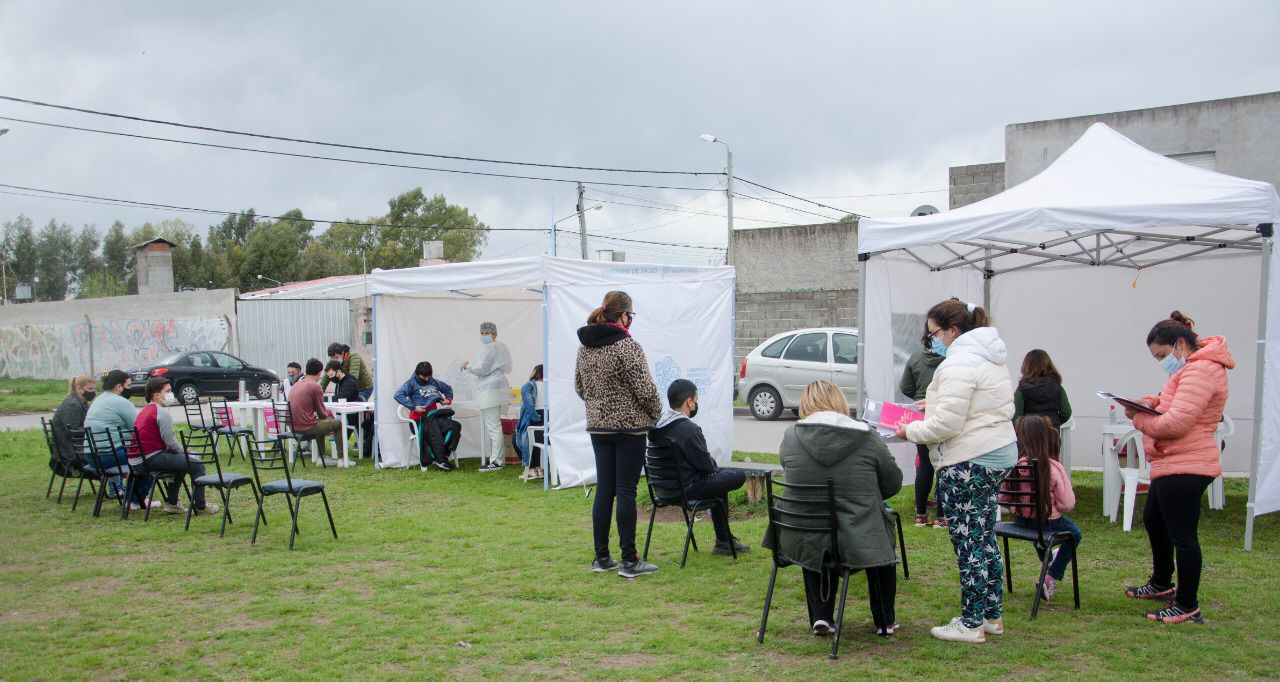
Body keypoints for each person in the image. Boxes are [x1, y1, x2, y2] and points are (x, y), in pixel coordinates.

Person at [896, 299, 1016, 643]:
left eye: (933, 333)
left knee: (968, 543)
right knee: (984, 537)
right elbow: (974, 405)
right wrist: (930, 405)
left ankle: (971, 622)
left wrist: (910, 431)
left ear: (952, 331)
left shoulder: (959, 362)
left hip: (969, 460)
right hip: (996, 454)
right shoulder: (989, 356)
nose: (931, 340)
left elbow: (947, 424)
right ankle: (992, 615)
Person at [1122, 311, 1232, 625]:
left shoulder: (1201, 371)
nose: (1161, 362)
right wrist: (1149, 403)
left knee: (1183, 536)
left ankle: (1187, 604)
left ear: (1179, 344)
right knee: (1154, 519)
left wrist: (1139, 418)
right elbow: (1174, 404)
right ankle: (1161, 582)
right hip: (1175, 460)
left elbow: (1177, 422)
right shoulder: (1192, 370)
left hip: (1187, 463)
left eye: (1161, 355)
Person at [768, 381, 902, 637]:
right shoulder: (867, 436)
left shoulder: (791, 436)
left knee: (816, 531)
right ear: (840, 401)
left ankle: (821, 616)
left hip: (801, 532)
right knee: (880, 531)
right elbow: (892, 482)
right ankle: (885, 620)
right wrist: (865, 498)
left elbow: (788, 467)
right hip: (859, 534)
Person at [576, 290, 664, 578]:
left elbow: (579, 387)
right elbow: (646, 390)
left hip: (598, 426)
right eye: (631, 315)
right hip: (629, 428)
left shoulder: (585, 346)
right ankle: (630, 560)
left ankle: (601, 557)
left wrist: (599, 404)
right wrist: (655, 413)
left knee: (605, 489)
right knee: (626, 490)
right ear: (624, 316)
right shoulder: (627, 346)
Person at [649, 379, 749, 555]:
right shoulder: (688, 429)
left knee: (717, 481)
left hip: (663, 490)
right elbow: (706, 465)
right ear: (689, 401)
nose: (696, 404)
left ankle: (724, 542)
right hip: (687, 489)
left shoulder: (656, 427)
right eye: (696, 400)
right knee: (736, 475)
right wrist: (712, 470)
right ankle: (723, 541)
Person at [1001, 415, 1080, 602]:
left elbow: (1003, 497)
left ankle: (1047, 554)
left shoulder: (1013, 466)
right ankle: (1050, 576)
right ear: (1045, 437)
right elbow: (1068, 503)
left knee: (1040, 536)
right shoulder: (1053, 468)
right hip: (1049, 523)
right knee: (1074, 534)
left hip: (1021, 522)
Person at [134, 377, 218, 516]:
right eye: (167, 391)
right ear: (156, 395)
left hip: (140, 458)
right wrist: (183, 451)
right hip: (149, 458)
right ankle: (201, 506)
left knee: (180, 463)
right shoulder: (161, 413)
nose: (171, 394)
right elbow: (170, 442)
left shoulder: (145, 410)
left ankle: (172, 503)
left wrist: (180, 453)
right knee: (196, 465)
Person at [84, 369, 153, 509]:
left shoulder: (99, 400)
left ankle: (132, 497)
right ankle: (135, 500)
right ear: (118, 386)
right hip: (109, 455)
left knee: (139, 456)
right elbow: (139, 427)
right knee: (150, 459)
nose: (130, 389)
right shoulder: (121, 402)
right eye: (128, 385)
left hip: (91, 455)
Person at [900, 327, 945, 528]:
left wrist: (919, 397)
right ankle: (942, 515)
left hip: (919, 415)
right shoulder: (951, 361)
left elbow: (905, 387)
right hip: (943, 414)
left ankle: (920, 513)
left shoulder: (915, 358)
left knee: (924, 465)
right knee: (944, 465)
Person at [462, 322, 513, 473]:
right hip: (498, 388)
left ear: (494, 334)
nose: (484, 336)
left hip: (490, 390)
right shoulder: (502, 347)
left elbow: (482, 368)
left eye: (487, 333)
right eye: (483, 333)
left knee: (493, 427)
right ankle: (499, 460)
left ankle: (496, 461)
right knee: (495, 426)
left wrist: (468, 365)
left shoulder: (491, 348)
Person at [393, 361, 460, 472]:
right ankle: (440, 459)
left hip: (434, 417)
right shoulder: (411, 384)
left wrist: (448, 399)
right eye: (424, 376)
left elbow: (448, 389)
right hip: (418, 420)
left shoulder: (434, 382)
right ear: (417, 374)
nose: (427, 379)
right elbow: (398, 395)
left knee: (454, 426)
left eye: (429, 376)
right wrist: (414, 407)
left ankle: (444, 456)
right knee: (434, 428)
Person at [287, 358, 343, 465]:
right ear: (319, 372)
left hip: (293, 427)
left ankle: (322, 458)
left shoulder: (296, 384)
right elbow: (321, 412)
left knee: (320, 422)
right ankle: (342, 459)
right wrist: (330, 419)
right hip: (307, 427)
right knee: (338, 424)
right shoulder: (315, 386)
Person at [326, 360, 374, 460]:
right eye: (329, 376)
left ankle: (339, 447)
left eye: (331, 375)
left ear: (338, 371)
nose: (331, 378)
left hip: (352, 415)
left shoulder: (349, 382)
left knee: (333, 424)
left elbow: (340, 397)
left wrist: (324, 398)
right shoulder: (341, 382)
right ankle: (339, 446)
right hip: (346, 413)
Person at [50, 375, 95, 478]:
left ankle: (116, 486)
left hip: (74, 448)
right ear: (79, 388)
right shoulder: (72, 404)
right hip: (70, 452)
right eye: (90, 389)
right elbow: (73, 431)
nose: (93, 392)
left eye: (94, 389)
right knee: (110, 454)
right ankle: (115, 488)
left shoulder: (81, 403)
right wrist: (93, 431)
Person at [1013, 349, 1073, 428]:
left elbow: (1017, 417)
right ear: (1049, 365)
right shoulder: (1057, 387)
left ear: (1027, 366)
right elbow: (1066, 412)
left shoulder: (1022, 388)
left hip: (1028, 434)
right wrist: (1055, 422)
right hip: (1052, 434)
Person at [514, 364, 545, 479]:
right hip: (549, 422)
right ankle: (537, 468)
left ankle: (531, 467)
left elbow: (529, 405)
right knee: (536, 441)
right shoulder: (552, 386)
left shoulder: (528, 386)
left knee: (517, 439)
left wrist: (535, 418)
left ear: (535, 373)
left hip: (536, 418)